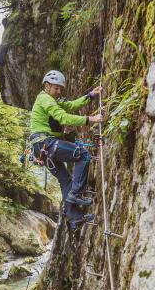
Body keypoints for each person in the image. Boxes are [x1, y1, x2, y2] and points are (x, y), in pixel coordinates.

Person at [29, 70, 103, 230]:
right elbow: (62, 117)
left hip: (42, 149)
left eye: (61, 89)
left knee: (65, 180)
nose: (59, 91)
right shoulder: (45, 99)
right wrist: (90, 119)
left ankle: (74, 219)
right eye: (56, 88)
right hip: (45, 144)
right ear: (47, 86)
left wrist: (90, 95)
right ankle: (76, 194)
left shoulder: (52, 100)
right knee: (83, 155)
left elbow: (70, 105)